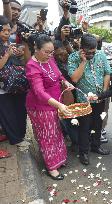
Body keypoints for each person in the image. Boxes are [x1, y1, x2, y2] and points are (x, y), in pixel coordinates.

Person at [26, 34, 73, 180]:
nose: (50, 55)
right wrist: (59, 104)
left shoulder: (50, 58)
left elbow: (58, 76)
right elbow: (39, 92)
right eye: (46, 52)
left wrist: (66, 82)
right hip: (40, 106)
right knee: (47, 136)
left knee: (56, 132)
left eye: (51, 52)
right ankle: (51, 167)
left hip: (54, 102)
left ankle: (59, 159)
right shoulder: (31, 66)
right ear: (36, 49)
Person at [67, 34, 112, 165]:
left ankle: (96, 146)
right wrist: (83, 61)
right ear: (82, 49)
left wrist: (104, 91)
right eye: (89, 52)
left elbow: (107, 73)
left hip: (99, 98)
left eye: (94, 52)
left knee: (98, 124)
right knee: (85, 127)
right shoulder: (73, 58)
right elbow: (74, 79)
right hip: (83, 100)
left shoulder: (101, 55)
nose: (92, 54)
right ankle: (84, 152)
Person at [0, 15, 29, 148]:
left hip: (17, 84)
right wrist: (7, 54)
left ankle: (20, 136)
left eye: (8, 30)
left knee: (20, 110)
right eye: (4, 30)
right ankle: (16, 139)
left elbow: (21, 62)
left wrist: (18, 53)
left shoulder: (9, 44)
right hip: (3, 88)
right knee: (8, 114)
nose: (7, 33)